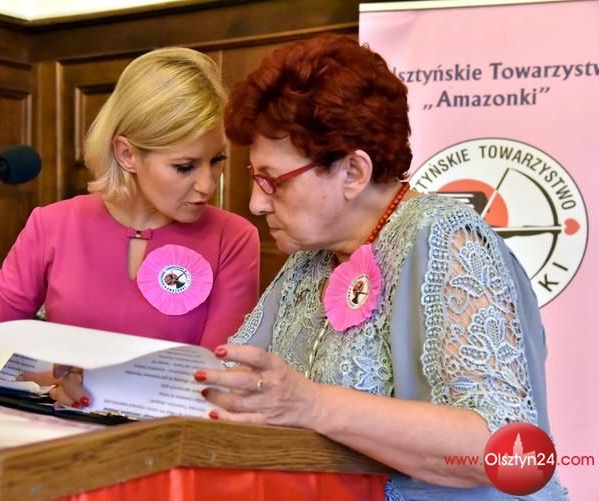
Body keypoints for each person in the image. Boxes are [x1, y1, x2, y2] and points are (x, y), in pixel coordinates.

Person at [195, 35, 567, 500]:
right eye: (255, 178)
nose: (256, 203)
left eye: (274, 182)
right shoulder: (309, 259)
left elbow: (503, 446)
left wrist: (313, 405)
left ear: (353, 172)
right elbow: (236, 383)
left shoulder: (447, 238)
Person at [0, 47, 260, 408]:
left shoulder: (234, 238)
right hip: (55, 429)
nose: (207, 185)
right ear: (127, 154)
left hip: (174, 435)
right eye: (185, 167)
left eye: (216, 161)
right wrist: (47, 382)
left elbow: (219, 380)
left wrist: (95, 384)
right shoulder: (52, 223)